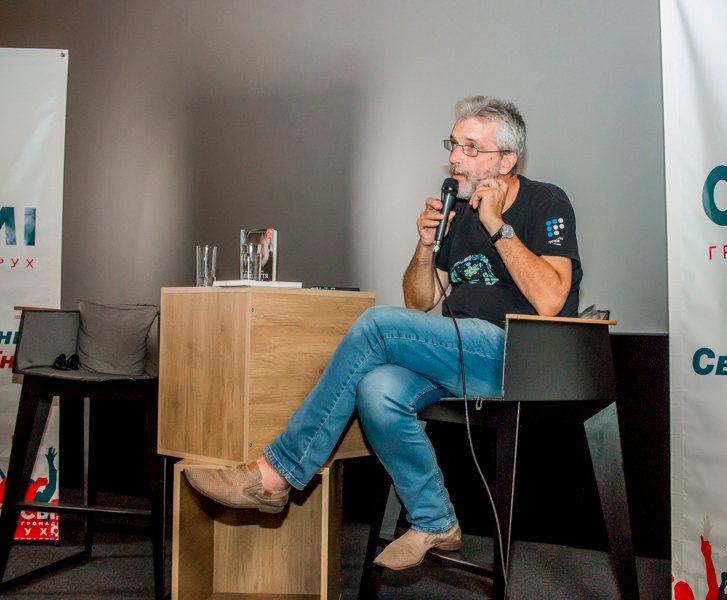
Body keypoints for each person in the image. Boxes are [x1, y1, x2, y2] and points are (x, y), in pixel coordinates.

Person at [184, 95, 583, 570]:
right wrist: (426, 245)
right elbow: (420, 301)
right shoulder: (459, 212)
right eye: (454, 144)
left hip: (519, 356)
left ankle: (280, 469)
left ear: (507, 161)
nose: (456, 157)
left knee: (376, 323)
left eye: (472, 147)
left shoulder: (545, 201)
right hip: (458, 351)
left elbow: (551, 299)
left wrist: (497, 223)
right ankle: (435, 520)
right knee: (377, 389)